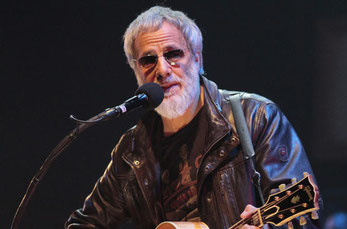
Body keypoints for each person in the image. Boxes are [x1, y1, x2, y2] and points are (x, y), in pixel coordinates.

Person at [66, 6, 320, 229]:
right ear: (137, 71)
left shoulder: (255, 117)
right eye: (148, 60)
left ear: (198, 58)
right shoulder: (132, 151)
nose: (162, 70)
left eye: (173, 54)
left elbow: (304, 218)